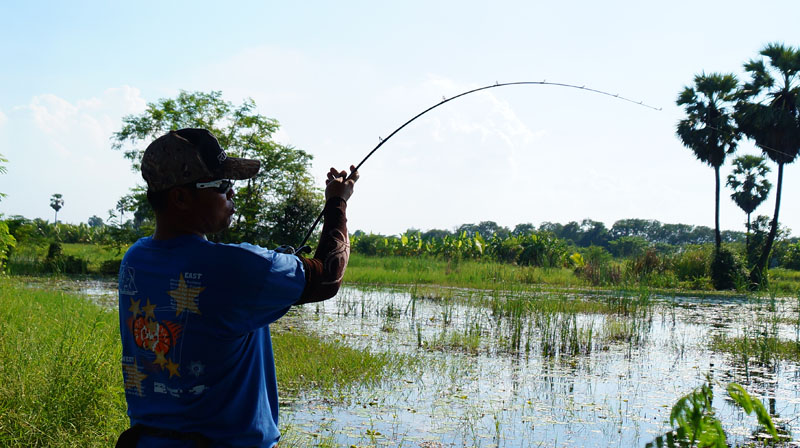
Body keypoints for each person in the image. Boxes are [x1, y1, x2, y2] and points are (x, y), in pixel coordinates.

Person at [115, 128, 358, 447]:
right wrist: (337, 202)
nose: (232, 193)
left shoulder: (135, 259)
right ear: (180, 198)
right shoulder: (235, 267)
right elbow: (328, 275)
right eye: (222, 185)